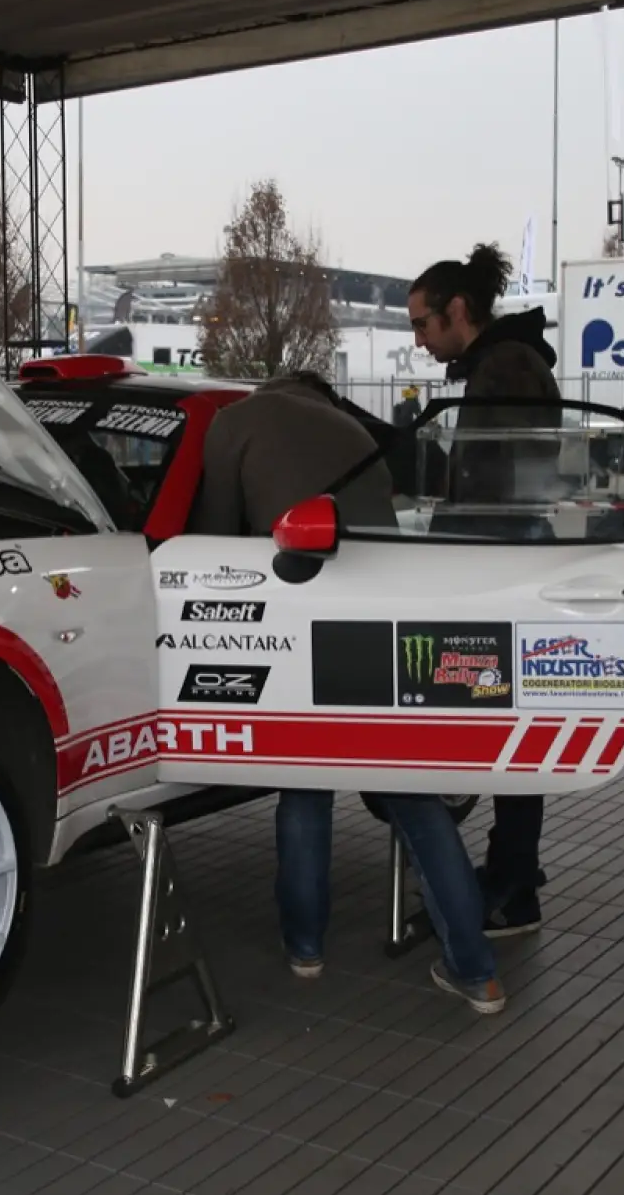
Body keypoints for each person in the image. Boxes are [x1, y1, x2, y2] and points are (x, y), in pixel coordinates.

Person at [193, 371, 507, 1012]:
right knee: (415, 797)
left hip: (306, 619)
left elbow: (211, 541)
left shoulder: (235, 423)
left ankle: (305, 948)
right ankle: (477, 972)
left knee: (305, 785)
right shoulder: (353, 428)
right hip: (385, 619)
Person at [406, 243, 561, 940]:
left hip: (500, 567)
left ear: (458, 310)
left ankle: (512, 882)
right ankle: (510, 873)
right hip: (505, 562)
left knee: (507, 733)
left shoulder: (505, 369)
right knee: (504, 731)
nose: (419, 340)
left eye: (423, 323)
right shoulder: (504, 364)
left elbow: (503, 483)